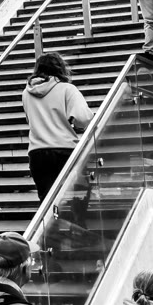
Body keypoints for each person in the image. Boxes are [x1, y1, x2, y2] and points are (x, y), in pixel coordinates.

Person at [21, 53, 92, 200]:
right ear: (60, 68)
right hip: (64, 149)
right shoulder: (67, 89)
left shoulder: (26, 93)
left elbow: (30, 120)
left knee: (47, 201)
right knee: (75, 197)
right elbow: (83, 118)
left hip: (37, 152)